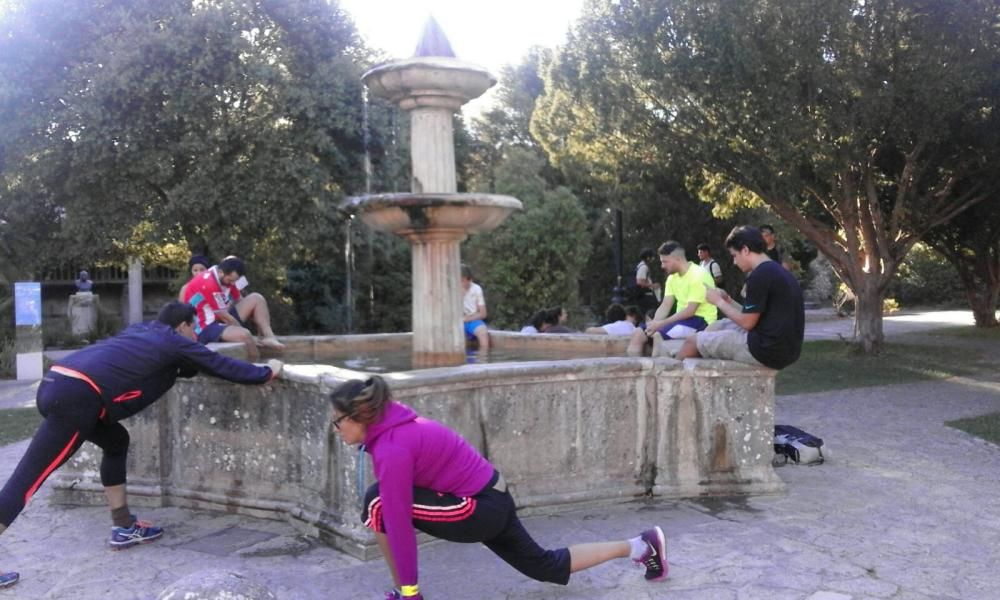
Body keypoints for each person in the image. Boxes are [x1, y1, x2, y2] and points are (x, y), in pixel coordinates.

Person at [0, 302, 283, 588]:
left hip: (58, 381)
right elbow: (224, 365)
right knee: (26, 481)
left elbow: (168, 366)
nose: (196, 336)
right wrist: (267, 371)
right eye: (194, 329)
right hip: (77, 398)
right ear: (183, 326)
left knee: (116, 441)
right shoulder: (175, 342)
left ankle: (123, 526)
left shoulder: (142, 331)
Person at [329, 376, 668, 600]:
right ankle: (640, 546)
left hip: (477, 506)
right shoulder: (396, 427)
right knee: (545, 566)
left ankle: (405, 592)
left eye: (337, 421)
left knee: (378, 503)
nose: (336, 429)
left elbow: (399, 522)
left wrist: (411, 589)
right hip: (494, 496)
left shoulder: (392, 447)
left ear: (359, 415)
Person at [677, 226, 805, 369]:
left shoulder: (759, 275)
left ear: (745, 250)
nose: (734, 262)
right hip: (786, 349)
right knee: (717, 326)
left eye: (734, 255)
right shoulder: (777, 271)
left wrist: (718, 302)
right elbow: (752, 315)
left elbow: (746, 323)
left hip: (764, 350)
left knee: (693, 342)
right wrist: (728, 301)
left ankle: (672, 378)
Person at [183, 256, 285, 360]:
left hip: (219, 317)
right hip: (204, 327)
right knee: (245, 335)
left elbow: (240, 300)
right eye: (230, 280)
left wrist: (256, 318)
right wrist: (249, 336)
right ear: (221, 273)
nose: (232, 284)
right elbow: (225, 317)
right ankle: (258, 366)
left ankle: (270, 337)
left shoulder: (227, 277)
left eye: (235, 281)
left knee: (257, 298)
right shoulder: (209, 283)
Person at [627, 241, 717, 356]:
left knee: (658, 335)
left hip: (701, 322)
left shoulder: (698, 275)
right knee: (638, 333)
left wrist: (661, 324)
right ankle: (634, 370)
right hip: (682, 321)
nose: (662, 266)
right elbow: (665, 305)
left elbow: (690, 311)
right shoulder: (672, 278)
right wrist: (654, 323)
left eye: (665, 261)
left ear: (678, 259)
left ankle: (655, 371)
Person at [460, 265, 489, 351]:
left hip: (473, 320)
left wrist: (468, 319)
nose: (460, 283)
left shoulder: (476, 289)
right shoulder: (453, 289)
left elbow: (483, 313)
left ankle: (483, 359)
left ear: (470, 280)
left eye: (462, 281)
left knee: (483, 333)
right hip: (457, 322)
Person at [630, 248, 660, 315]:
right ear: (648, 257)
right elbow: (640, 282)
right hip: (645, 295)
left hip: (641, 295)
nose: (653, 258)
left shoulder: (640, 265)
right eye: (652, 256)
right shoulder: (644, 267)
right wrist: (653, 285)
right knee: (650, 312)